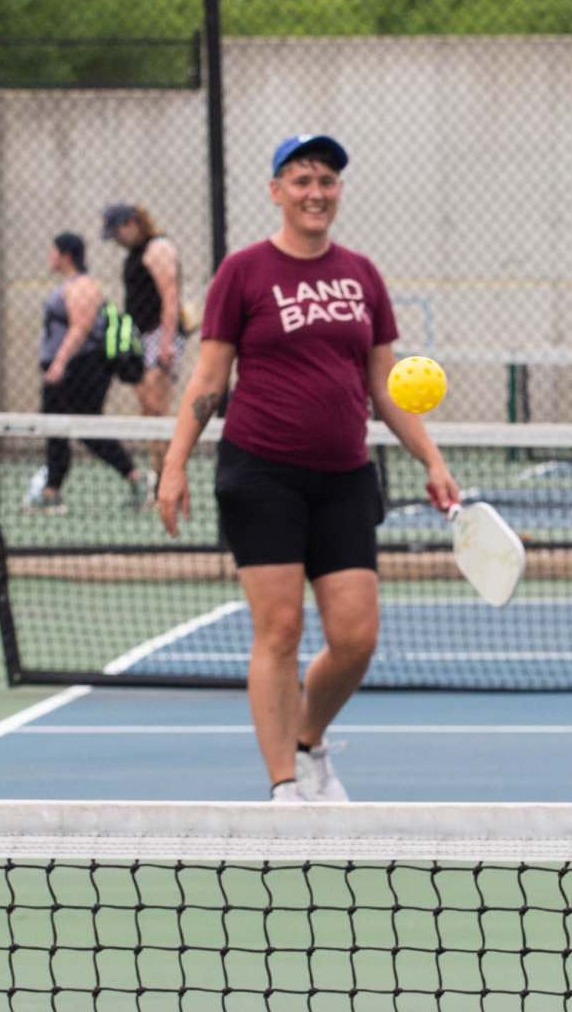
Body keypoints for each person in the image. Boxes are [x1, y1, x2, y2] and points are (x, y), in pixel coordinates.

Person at [156, 134, 460, 802]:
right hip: (261, 473)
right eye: (300, 180)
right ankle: (285, 789)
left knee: (356, 637)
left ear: (338, 191)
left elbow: (384, 386)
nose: (315, 192)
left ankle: (307, 740)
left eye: (326, 180)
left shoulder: (363, 275)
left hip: (346, 476)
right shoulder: (244, 271)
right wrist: (173, 465)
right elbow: (209, 375)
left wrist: (432, 459)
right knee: (281, 628)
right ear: (276, 191)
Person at [27, 231, 145, 512]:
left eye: (53, 250)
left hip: (81, 368)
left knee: (83, 427)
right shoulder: (69, 285)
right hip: (71, 368)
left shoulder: (82, 286)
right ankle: (52, 490)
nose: (49, 256)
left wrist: (59, 363)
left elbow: (80, 328)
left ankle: (135, 479)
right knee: (58, 427)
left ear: (66, 255)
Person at [103, 203, 193, 423]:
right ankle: (158, 459)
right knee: (147, 408)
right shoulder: (135, 253)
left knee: (157, 407)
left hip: (159, 334)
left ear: (131, 223)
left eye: (117, 232)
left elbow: (170, 297)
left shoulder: (158, 249)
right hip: (139, 335)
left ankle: (169, 458)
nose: (116, 239)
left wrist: (166, 342)